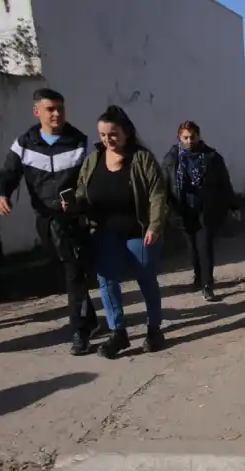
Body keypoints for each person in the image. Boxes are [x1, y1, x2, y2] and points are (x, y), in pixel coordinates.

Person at [0, 88, 104, 355]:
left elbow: (92, 180)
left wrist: (79, 202)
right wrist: (0, 196)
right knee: (63, 271)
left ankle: (80, 332)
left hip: (73, 222)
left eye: (60, 108)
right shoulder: (25, 143)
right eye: (50, 109)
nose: (56, 114)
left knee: (74, 273)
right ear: (36, 112)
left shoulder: (79, 142)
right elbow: (6, 173)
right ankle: (89, 319)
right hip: (45, 222)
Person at [68, 106, 169, 359]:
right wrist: (73, 203)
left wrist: (155, 225)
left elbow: (158, 194)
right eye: (102, 135)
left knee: (146, 279)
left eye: (112, 134)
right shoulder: (93, 160)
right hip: (105, 233)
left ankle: (154, 329)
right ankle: (118, 332)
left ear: (126, 132)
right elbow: (82, 189)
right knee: (106, 281)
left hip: (139, 231)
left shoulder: (142, 158)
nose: (107, 140)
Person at [162, 121, 236, 302]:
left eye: (192, 137)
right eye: (185, 137)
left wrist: (233, 205)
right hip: (183, 210)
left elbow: (224, 183)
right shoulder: (172, 159)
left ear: (198, 136)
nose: (189, 141)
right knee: (192, 248)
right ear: (179, 137)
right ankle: (198, 277)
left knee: (205, 247)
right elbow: (164, 185)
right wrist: (166, 209)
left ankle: (207, 284)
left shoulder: (211, 157)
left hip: (206, 210)